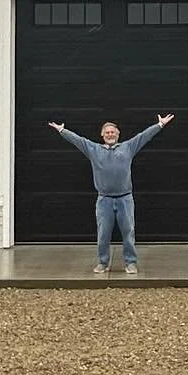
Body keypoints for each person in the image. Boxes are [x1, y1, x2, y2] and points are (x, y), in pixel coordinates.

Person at [48, 114, 175, 273]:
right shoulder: (93, 149)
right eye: (107, 132)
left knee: (128, 232)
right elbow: (77, 140)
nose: (110, 134)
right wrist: (62, 130)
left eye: (113, 132)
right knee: (103, 234)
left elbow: (144, 136)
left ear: (118, 134)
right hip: (104, 200)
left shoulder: (128, 147)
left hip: (125, 199)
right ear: (102, 135)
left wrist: (160, 125)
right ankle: (102, 263)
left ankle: (130, 263)